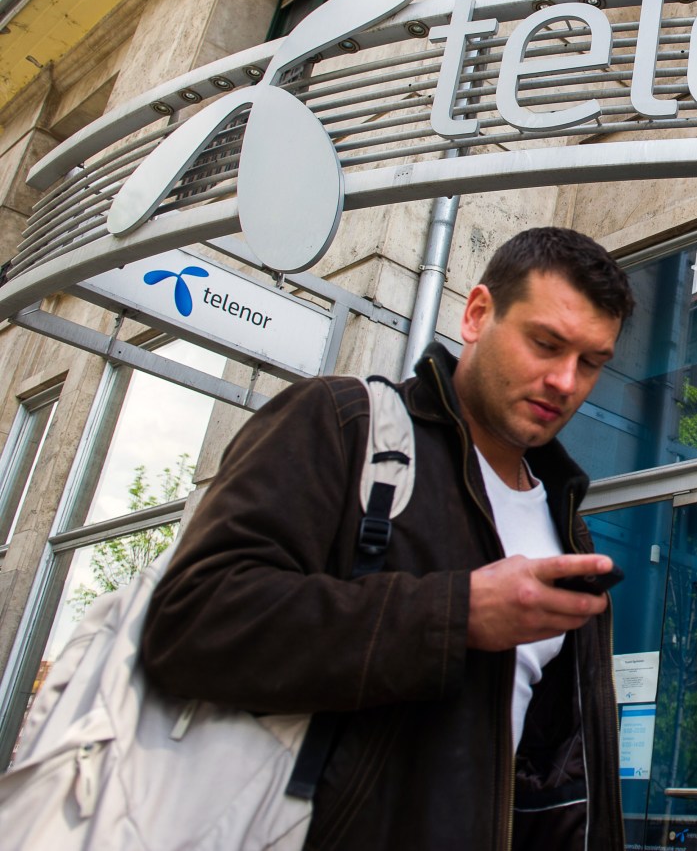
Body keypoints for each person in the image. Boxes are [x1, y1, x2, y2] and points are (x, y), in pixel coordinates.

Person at [141, 227, 636, 850]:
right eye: (545, 343)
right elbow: (189, 622)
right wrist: (459, 614)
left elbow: (554, 767)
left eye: (591, 362)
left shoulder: (565, 524)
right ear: (478, 314)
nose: (566, 382)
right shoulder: (343, 425)